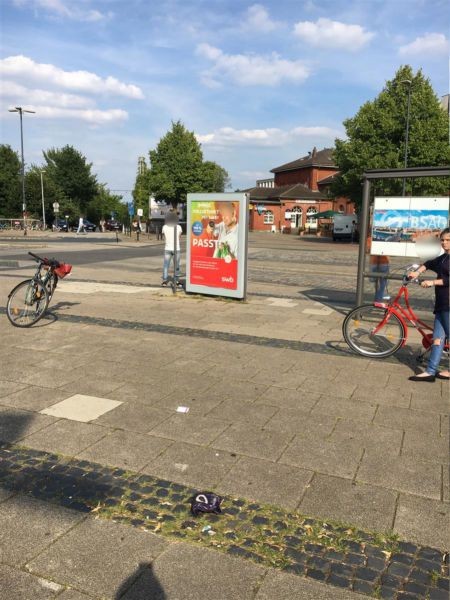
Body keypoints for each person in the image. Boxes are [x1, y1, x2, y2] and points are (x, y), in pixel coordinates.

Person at [408, 228, 450, 382]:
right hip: (441, 303)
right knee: (438, 339)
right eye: (443, 240)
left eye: (448, 240)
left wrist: (432, 282)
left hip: (448, 304)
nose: (444, 243)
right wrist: (417, 272)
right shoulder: (444, 257)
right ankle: (430, 371)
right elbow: (430, 263)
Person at [367, 235, 390, 302]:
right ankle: (378, 300)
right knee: (383, 284)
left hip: (374, 262)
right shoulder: (386, 237)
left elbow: (367, 250)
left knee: (377, 283)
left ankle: (378, 299)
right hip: (384, 262)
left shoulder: (369, 238)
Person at [161, 212, 182, 286]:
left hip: (167, 248)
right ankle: (177, 281)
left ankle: (164, 280)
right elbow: (179, 237)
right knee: (177, 266)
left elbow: (164, 237)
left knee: (166, 265)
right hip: (176, 248)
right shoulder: (178, 227)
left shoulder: (164, 227)